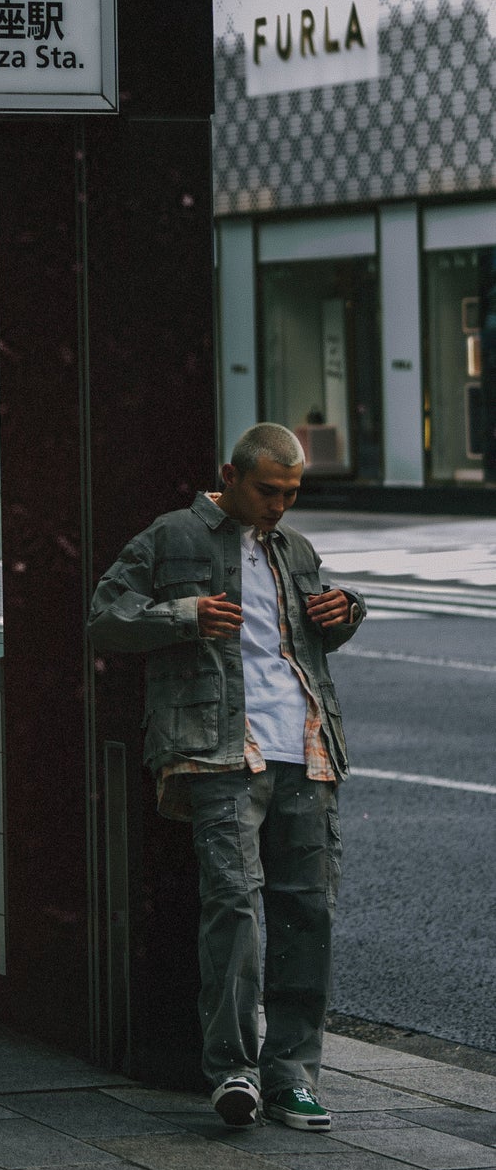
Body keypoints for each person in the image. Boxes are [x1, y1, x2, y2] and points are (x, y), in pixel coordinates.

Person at [88, 422, 364, 1133]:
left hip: (303, 747)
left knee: (309, 912)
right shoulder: (172, 535)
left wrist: (344, 611)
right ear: (229, 475)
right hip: (217, 748)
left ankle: (293, 1076)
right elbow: (105, 617)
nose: (279, 505)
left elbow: (306, 639)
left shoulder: (295, 549)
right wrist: (185, 614)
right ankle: (232, 1070)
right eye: (268, 490)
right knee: (233, 907)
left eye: (292, 492)